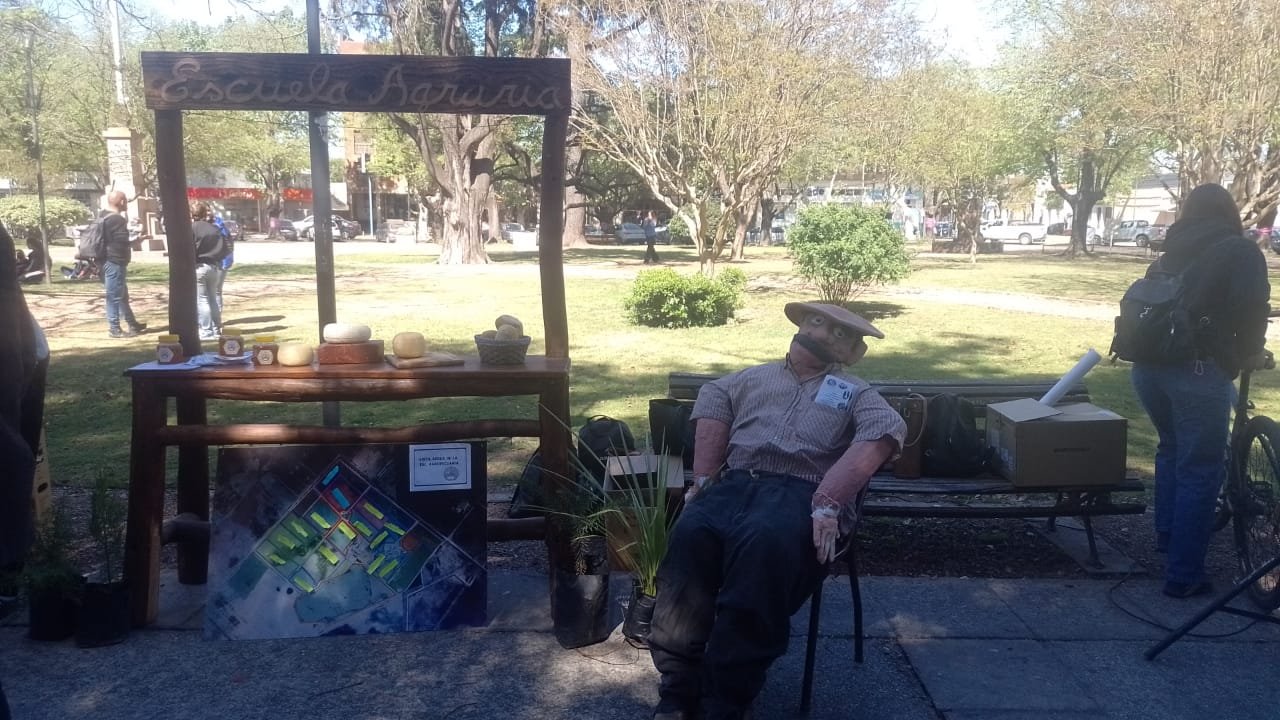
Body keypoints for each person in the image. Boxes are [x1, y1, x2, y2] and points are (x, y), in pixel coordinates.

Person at [648, 302, 906, 720]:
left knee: (764, 550)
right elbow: (714, 394)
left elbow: (887, 426)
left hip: (798, 493)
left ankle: (725, 700)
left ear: (853, 352)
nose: (822, 335)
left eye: (839, 333)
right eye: (816, 323)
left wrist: (828, 501)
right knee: (691, 537)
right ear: (800, 326)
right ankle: (678, 686)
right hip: (735, 484)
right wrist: (704, 478)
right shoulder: (752, 378)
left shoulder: (856, 392)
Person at [1130, 183, 1270, 599]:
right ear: (1230, 212)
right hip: (1196, 369)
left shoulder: (1170, 249)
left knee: (1171, 450)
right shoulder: (1240, 251)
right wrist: (1251, 352)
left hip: (1147, 367)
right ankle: (1184, 573)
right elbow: (1252, 309)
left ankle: (1168, 537)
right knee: (1201, 467)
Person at [101, 191, 146, 338]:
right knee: (114, 296)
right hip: (115, 261)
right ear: (121, 202)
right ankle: (114, 328)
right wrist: (137, 241)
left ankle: (132, 323)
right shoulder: (117, 219)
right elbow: (122, 242)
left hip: (103, 260)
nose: (126, 203)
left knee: (121, 295)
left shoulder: (102, 216)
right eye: (125, 200)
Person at [191, 203, 228, 341]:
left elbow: (189, 248)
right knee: (213, 298)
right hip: (214, 266)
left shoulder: (192, 228)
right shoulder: (214, 229)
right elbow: (224, 248)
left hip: (199, 266)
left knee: (202, 299)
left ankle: (206, 330)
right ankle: (216, 328)